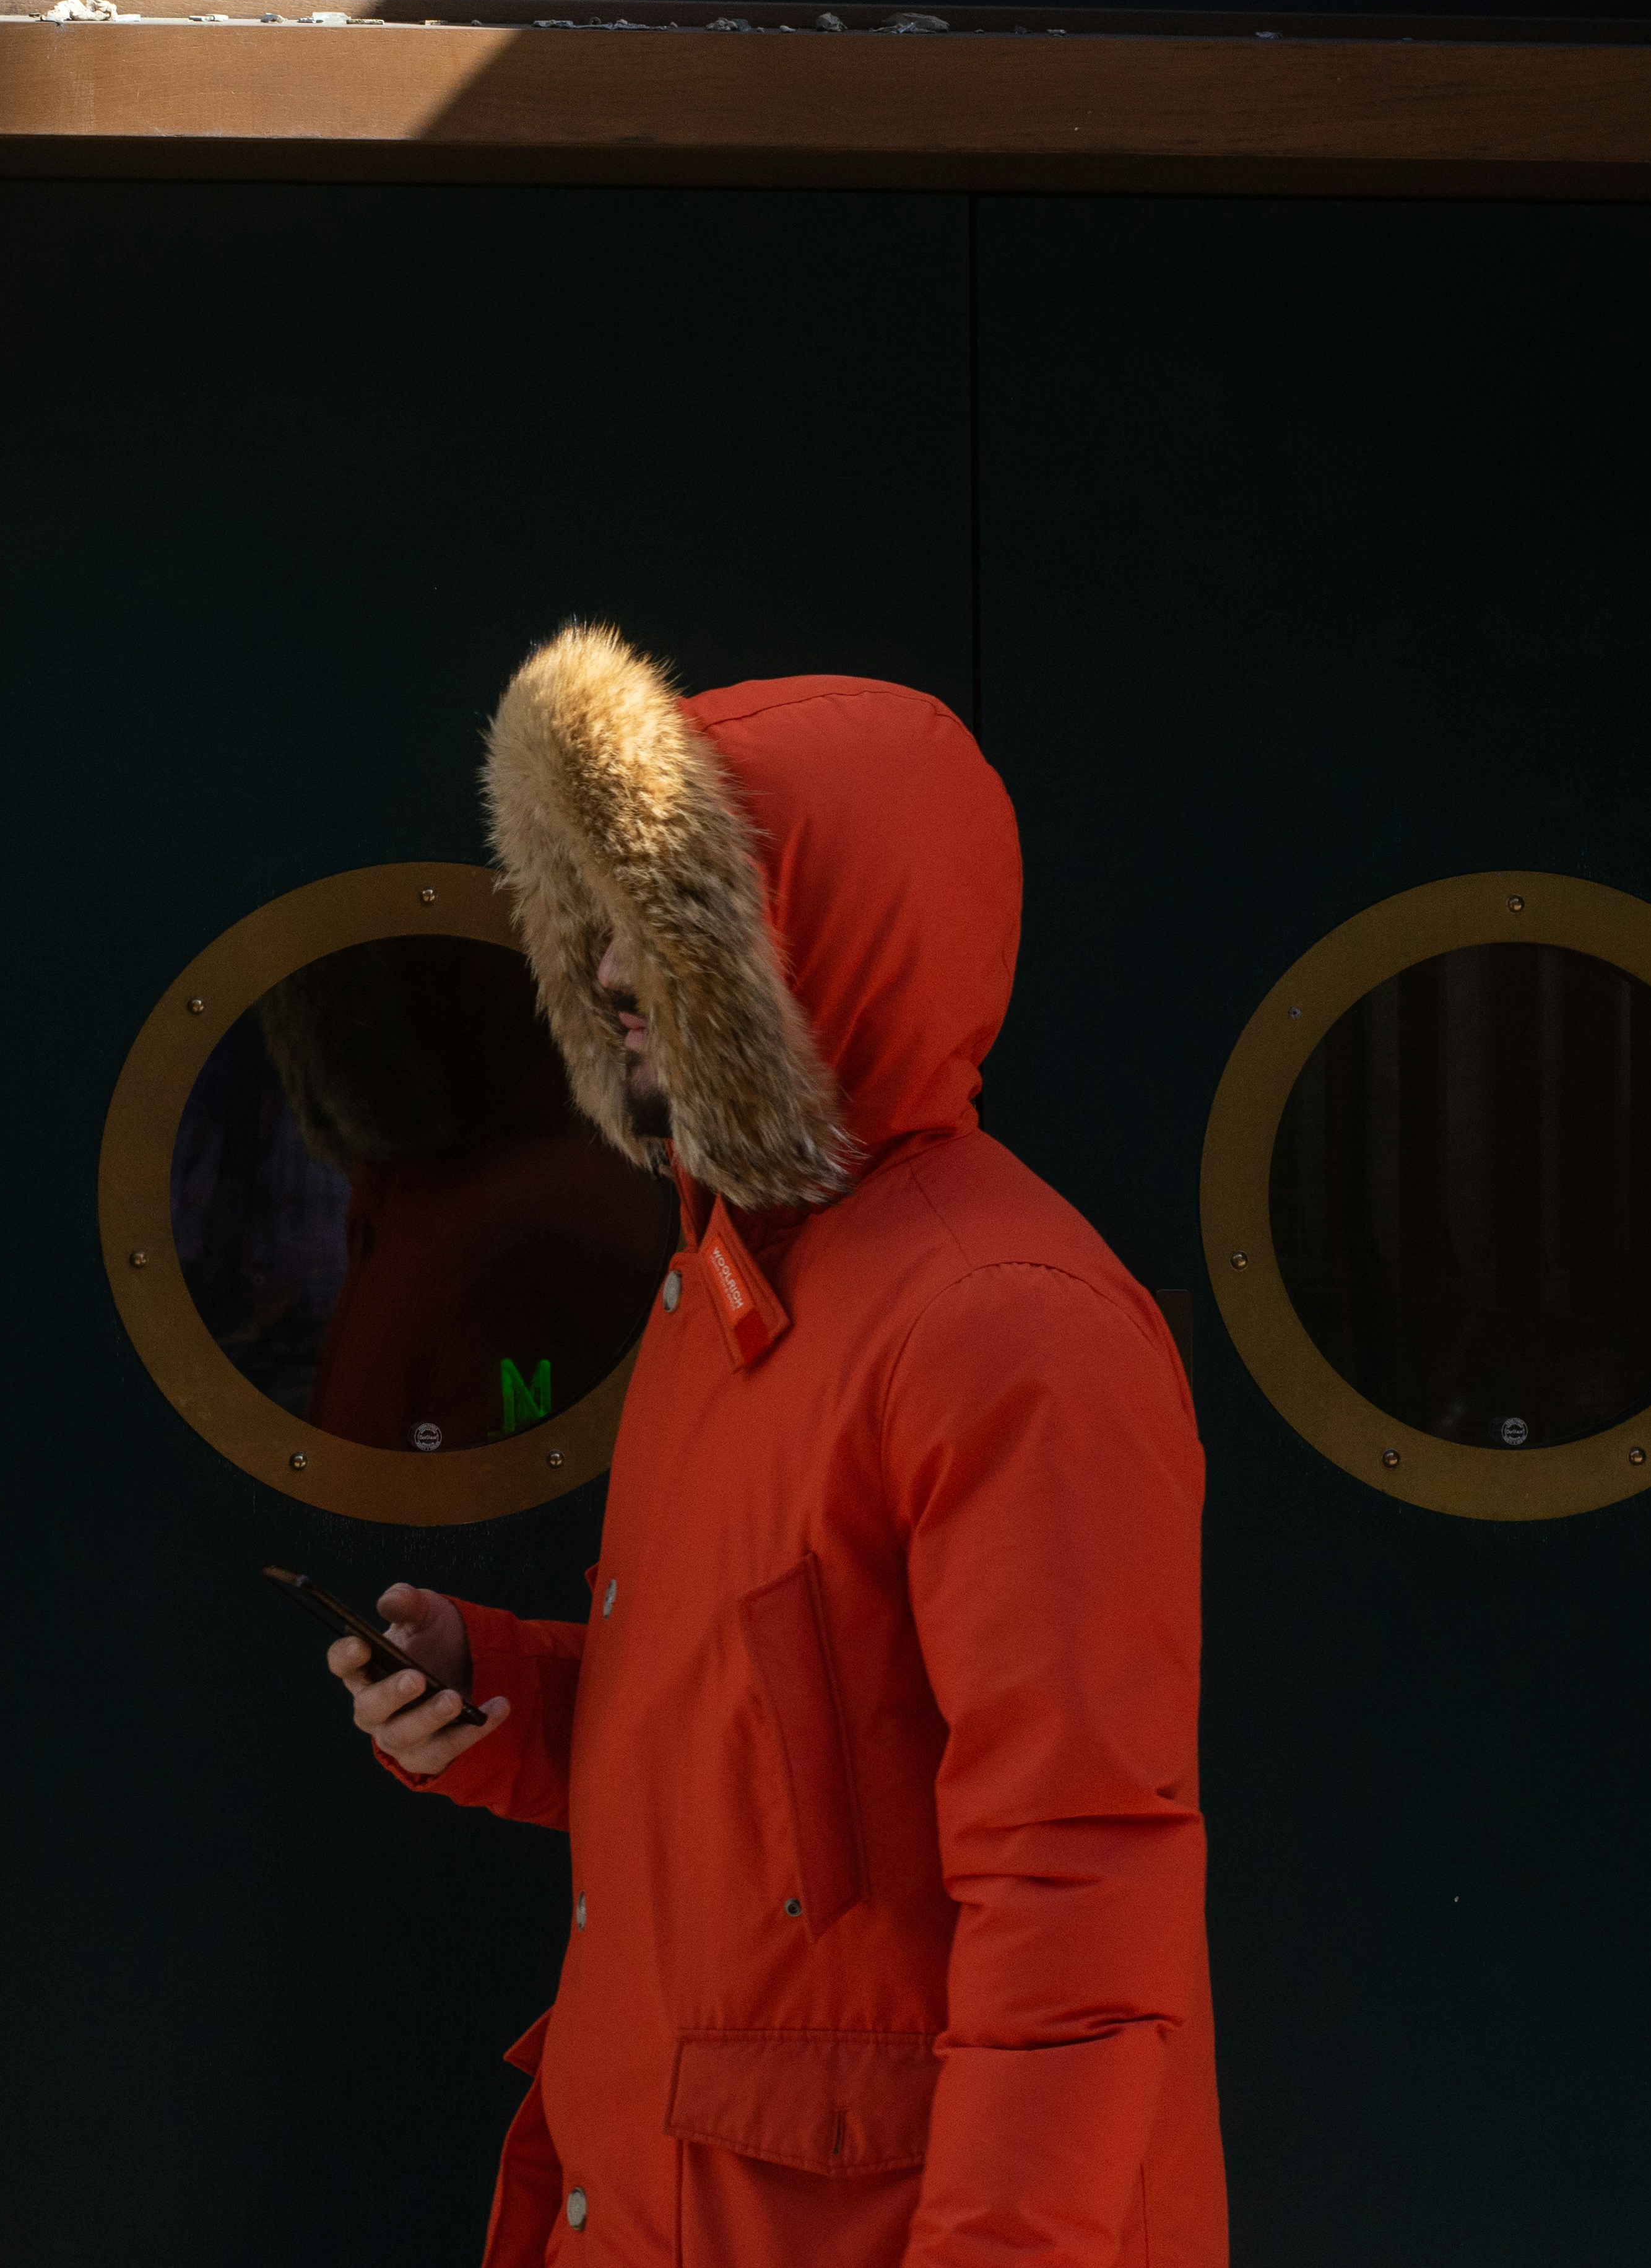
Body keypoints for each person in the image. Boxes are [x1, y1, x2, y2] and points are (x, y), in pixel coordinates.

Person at [329, 625, 1225, 2266]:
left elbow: (1080, 1891)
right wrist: (502, 1697)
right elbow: (791, 1764)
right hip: (675, 2202)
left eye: (676, 931)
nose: (609, 977)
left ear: (824, 948)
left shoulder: (1001, 1324)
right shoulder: (725, 1283)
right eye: (600, 926)